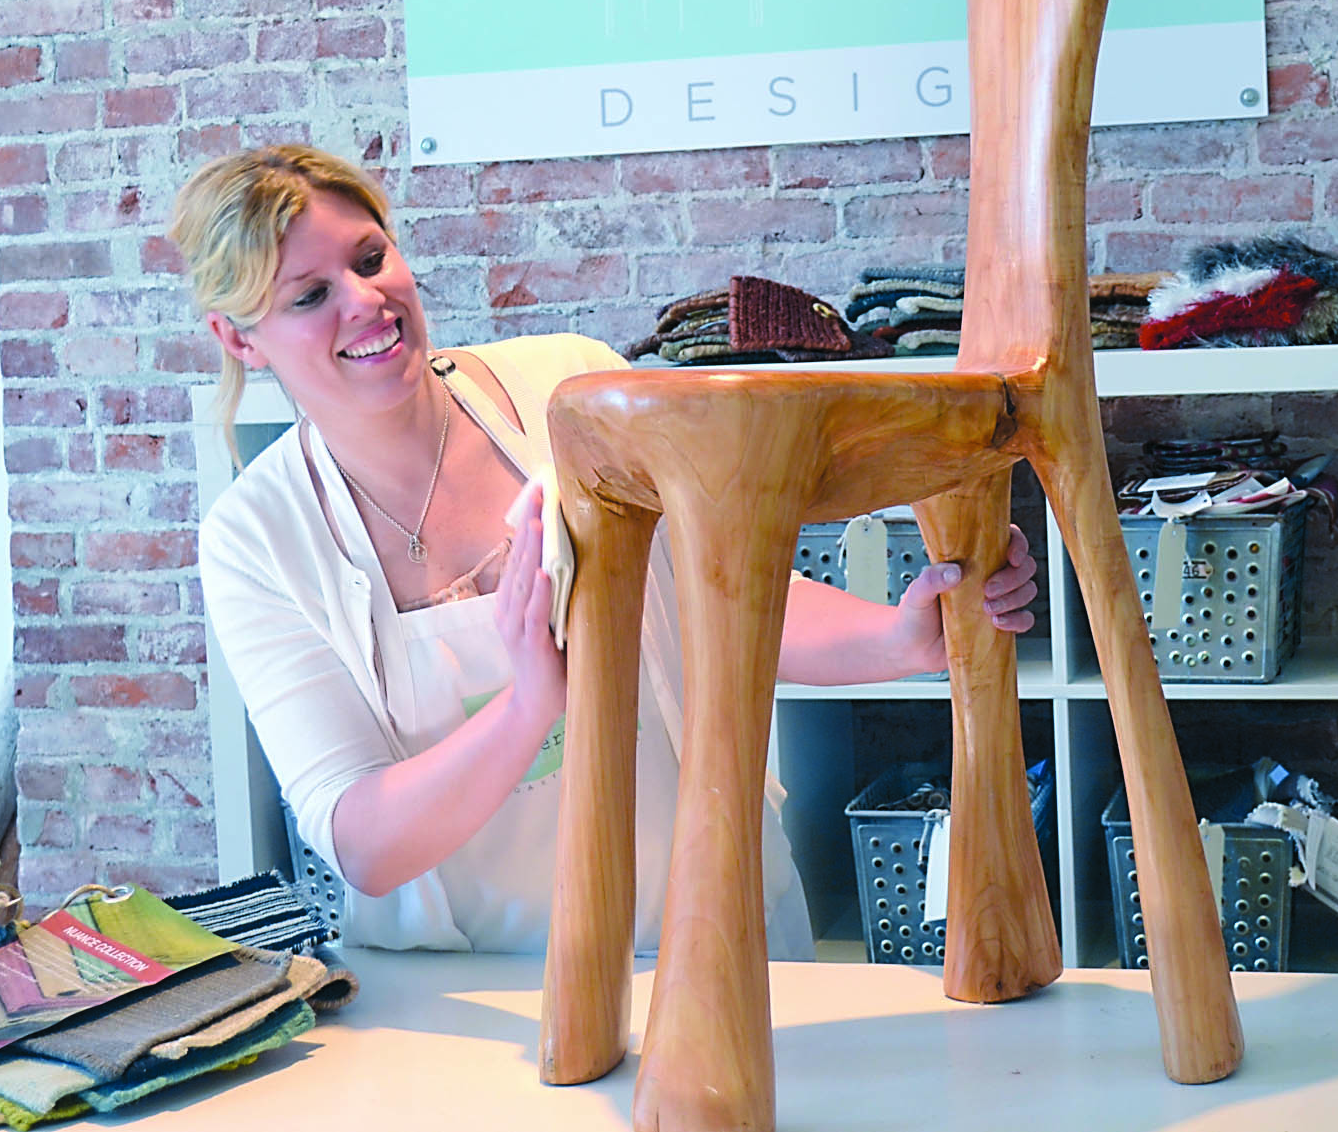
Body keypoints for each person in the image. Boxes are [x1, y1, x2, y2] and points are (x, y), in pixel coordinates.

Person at [172, 144, 1040, 956]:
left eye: (369, 260)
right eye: (308, 295)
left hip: (714, 930)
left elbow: (721, 598)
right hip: (462, 997)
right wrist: (528, 709)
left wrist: (901, 640)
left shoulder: (571, 390)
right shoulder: (256, 537)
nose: (365, 302)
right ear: (238, 339)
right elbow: (360, 837)